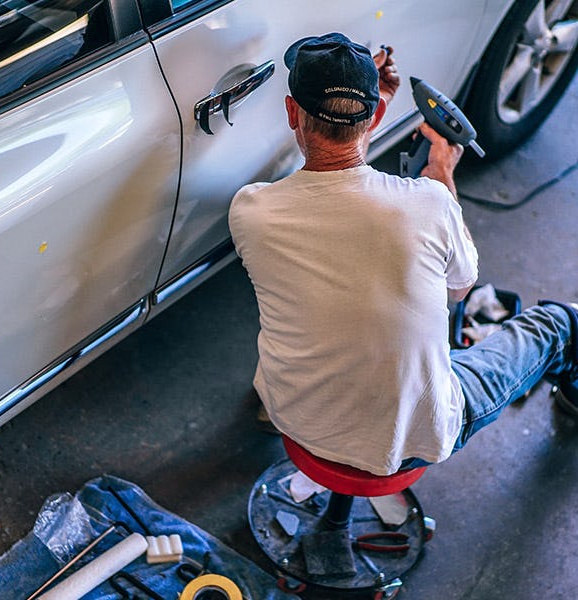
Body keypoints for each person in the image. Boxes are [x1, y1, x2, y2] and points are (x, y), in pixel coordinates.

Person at [229, 32, 578, 476]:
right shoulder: (429, 203)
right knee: (560, 323)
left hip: (294, 416)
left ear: (291, 112)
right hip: (407, 441)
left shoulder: (252, 211)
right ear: (376, 116)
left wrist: (359, 127)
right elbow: (460, 288)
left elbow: (329, 184)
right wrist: (442, 174)